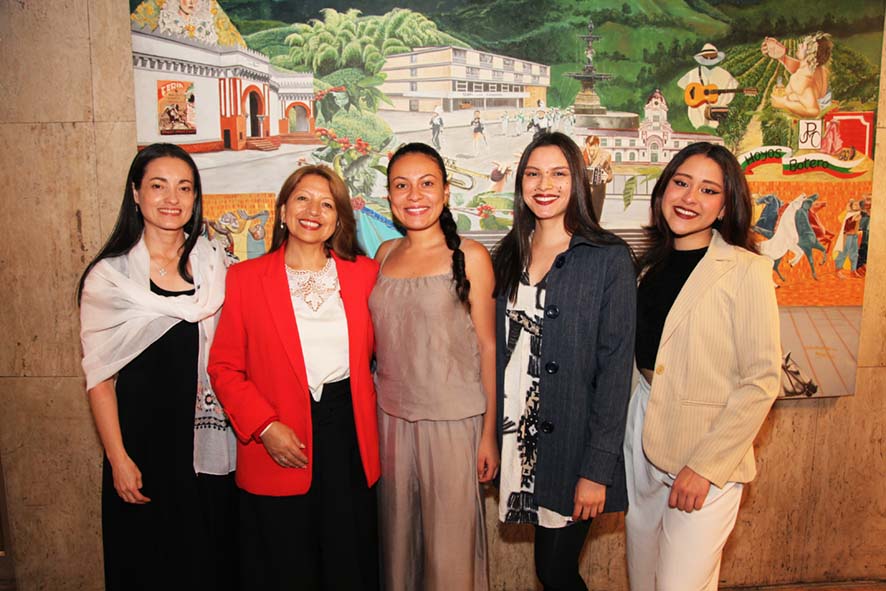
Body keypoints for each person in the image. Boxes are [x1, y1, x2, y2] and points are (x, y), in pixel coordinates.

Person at [208, 165, 380, 591]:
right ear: (283, 210)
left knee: (347, 563)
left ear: (338, 219)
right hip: (277, 438)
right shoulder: (245, 279)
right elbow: (224, 367)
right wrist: (264, 426)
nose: (313, 210)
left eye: (327, 203)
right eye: (303, 198)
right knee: (284, 566)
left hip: (348, 438)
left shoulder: (364, 275)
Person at [78, 143, 237, 591]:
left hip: (205, 448)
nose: (172, 198)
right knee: (147, 568)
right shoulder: (110, 279)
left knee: (208, 565)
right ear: (135, 193)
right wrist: (118, 459)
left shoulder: (215, 266)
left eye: (184, 188)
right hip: (141, 451)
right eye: (158, 186)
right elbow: (100, 380)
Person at [625, 142, 782, 591]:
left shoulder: (746, 271)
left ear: (724, 207)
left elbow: (761, 380)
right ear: (663, 192)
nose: (689, 198)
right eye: (681, 183)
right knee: (643, 579)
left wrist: (705, 467)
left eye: (708, 190)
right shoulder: (645, 267)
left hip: (706, 451)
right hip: (642, 438)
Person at [493, 132, 636, 591]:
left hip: (573, 448)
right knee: (549, 569)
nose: (544, 184)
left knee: (555, 571)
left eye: (558, 173)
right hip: (521, 442)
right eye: (533, 174)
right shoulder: (508, 253)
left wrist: (597, 469)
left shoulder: (608, 258)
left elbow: (616, 371)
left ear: (577, 180)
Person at [371, 142, 499, 590]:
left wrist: (488, 435)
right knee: (397, 548)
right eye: (401, 186)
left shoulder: (472, 257)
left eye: (426, 184)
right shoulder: (384, 254)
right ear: (388, 197)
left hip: (453, 423)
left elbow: (487, 347)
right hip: (390, 422)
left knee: (450, 555)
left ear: (445, 192)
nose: (414, 195)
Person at [761, 33, 832, 118]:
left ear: (810, 54)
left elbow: (813, 111)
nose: (799, 45)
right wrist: (781, 56)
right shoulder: (819, 69)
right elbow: (799, 67)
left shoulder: (801, 79)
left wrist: (782, 103)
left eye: (803, 45)